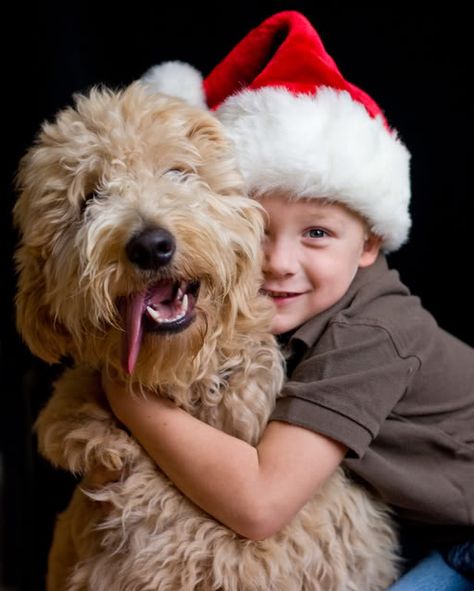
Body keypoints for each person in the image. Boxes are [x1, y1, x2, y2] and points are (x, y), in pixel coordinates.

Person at [102, 11, 474, 590]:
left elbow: (259, 504)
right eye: (256, 228)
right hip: (421, 522)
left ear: (370, 242)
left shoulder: (374, 332)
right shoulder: (270, 306)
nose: (278, 261)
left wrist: (127, 397)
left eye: (317, 234)